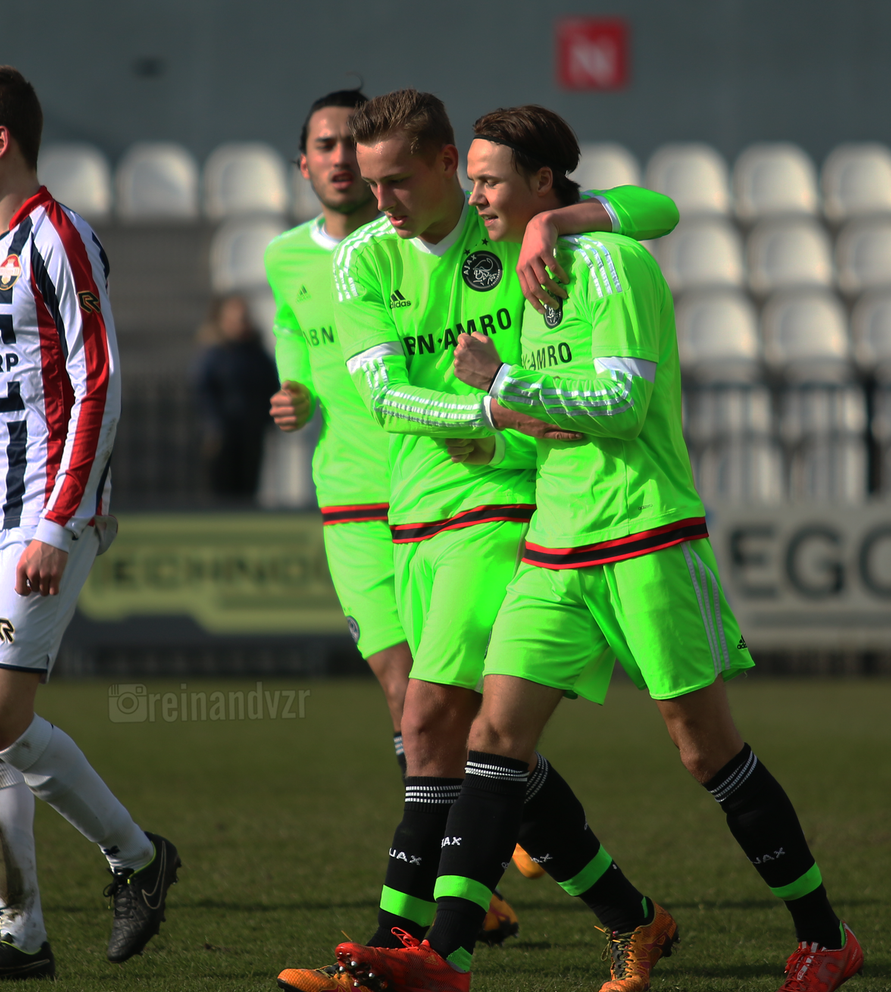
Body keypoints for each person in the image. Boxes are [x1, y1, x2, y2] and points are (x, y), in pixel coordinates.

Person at [340, 105, 862, 992]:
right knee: (493, 737)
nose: (475, 195)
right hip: (555, 542)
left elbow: (620, 405)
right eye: (472, 179)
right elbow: (543, 412)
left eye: (490, 180)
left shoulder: (613, 264)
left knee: (704, 749)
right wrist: (498, 419)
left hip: (645, 532)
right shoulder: (526, 275)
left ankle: (824, 933)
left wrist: (502, 385)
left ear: (543, 184)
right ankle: (445, 955)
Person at [285, 89, 681, 991]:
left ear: (443, 164)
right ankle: (629, 913)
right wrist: (486, 410)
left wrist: (558, 222)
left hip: (505, 508)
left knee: (428, 722)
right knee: (487, 746)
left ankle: (393, 952)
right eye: (371, 183)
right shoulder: (362, 260)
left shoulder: (506, 229)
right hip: (411, 520)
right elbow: (384, 397)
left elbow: (659, 209)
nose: (379, 199)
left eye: (396, 181)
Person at [0, 65, 178, 980]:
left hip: (41, 512)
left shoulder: (62, 238)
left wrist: (58, 524)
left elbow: (100, 383)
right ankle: (21, 937)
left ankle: (138, 857)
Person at [195, 294, 280, 499]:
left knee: (248, 491)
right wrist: (215, 425)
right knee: (221, 492)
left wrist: (266, 420)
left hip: (251, 434)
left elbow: (271, 386)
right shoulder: (214, 355)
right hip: (223, 437)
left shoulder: (257, 355)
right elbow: (204, 391)